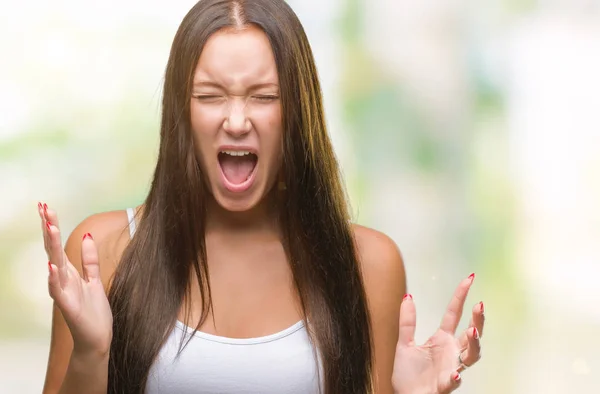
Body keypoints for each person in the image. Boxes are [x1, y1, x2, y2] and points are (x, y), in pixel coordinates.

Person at [39, 1, 484, 393]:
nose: (236, 120)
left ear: (296, 111)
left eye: (264, 96)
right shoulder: (103, 251)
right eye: (210, 96)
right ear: (181, 111)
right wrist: (90, 354)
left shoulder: (370, 264)